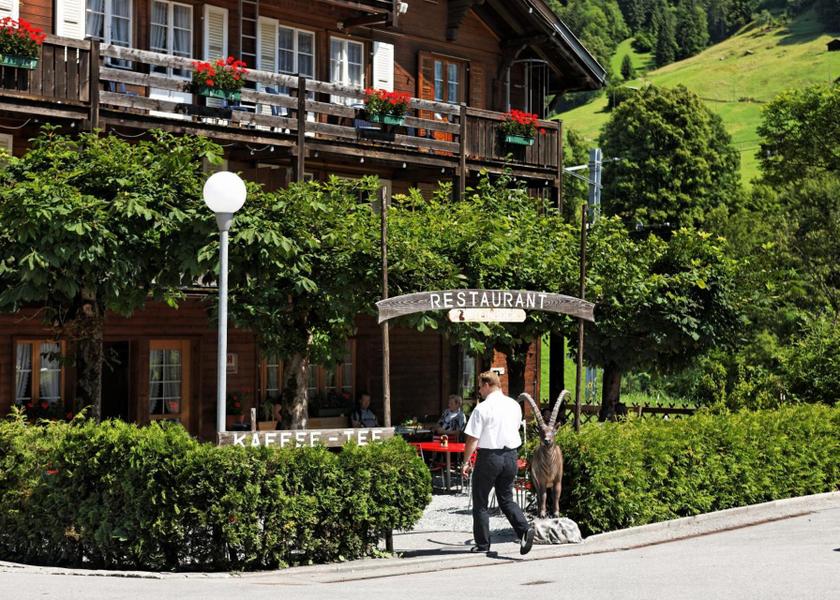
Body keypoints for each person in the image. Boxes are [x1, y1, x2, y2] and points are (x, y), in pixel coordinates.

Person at [461, 371, 535, 556]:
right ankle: (524, 529)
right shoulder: (513, 405)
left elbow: (472, 438)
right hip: (511, 455)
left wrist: (465, 461)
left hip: (489, 456)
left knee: (480, 502)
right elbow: (515, 427)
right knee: (506, 498)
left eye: (479, 386)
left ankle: (483, 544)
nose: (479, 390)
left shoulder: (482, 408)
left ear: (487, 385)